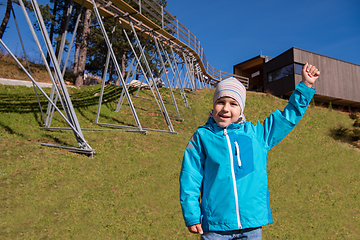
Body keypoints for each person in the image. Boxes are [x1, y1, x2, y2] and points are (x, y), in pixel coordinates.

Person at [179, 63, 320, 239]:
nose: (225, 108)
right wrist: (192, 215)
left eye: (233, 103)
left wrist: (306, 86)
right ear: (213, 105)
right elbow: (190, 176)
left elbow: (288, 118)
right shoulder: (202, 137)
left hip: (251, 224)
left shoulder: (257, 135)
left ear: (241, 109)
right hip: (215, 226)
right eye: (220, 102)